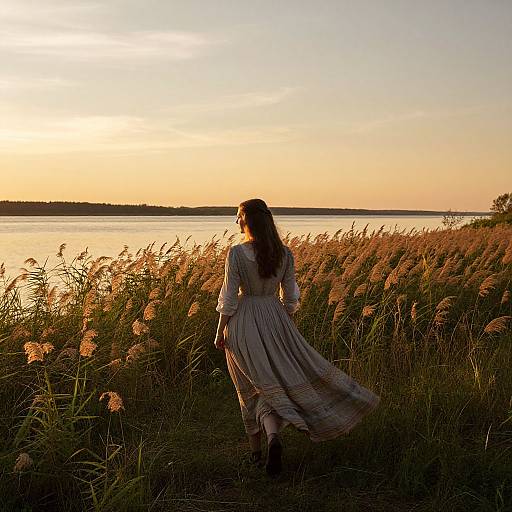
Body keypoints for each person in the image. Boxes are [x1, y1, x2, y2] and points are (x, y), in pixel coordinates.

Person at [213, 198, 380, 477]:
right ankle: (273, 438)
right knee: (274, 383)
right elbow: (290, 297)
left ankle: (256, 454)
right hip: (276, 318)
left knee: (251, 387)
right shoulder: (285, 254)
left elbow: (229, 299)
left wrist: (219, 332)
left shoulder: (236, 254)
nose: (236, 221)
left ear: (248, 221)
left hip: (243, 323)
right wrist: (283, 325)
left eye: (238, 216)